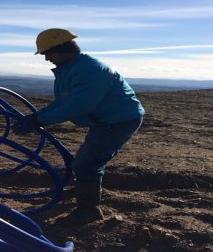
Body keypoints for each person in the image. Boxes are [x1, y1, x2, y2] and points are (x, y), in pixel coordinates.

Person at [12, 28, 145, 225]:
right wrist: (38, 116)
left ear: (62, 48)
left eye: (47, 53)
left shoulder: (89, 70)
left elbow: (79, 105)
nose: (46, 58)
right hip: (105, 120)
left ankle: (89, 210)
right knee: (86, 160)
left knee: (87, 163)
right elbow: (65, 101)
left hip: (118, 121)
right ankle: (84, 188)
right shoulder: (73, 68)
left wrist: (39, 121)